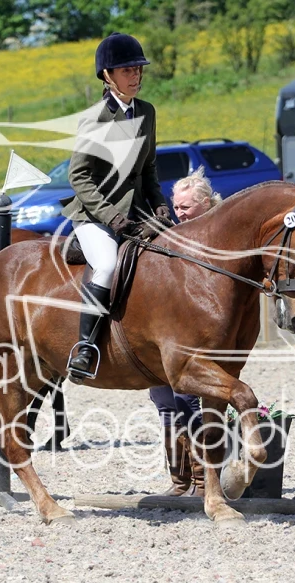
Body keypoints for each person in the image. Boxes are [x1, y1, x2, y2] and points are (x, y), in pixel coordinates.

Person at [62, 32, 171, 381]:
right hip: (95, 215)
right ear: (108, 76)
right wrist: (112, 217)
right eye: (127, 71)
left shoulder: (147, 112)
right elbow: (79, 177)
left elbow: (149, 169)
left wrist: (160, 206)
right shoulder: (95, 118)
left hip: (137, 213)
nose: (135, 76)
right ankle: (85, 348)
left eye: (138, 70)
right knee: (107, 265)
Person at [149, 166, 221, 497]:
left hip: (199, 334)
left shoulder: (218, 234)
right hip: (167, 330)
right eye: (176, 207)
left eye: (186, 207)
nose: (179, 213)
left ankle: (204, 481)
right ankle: (180, 480)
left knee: (187, 399)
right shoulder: (172, 234)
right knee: (163, 399)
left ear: (205, 203)